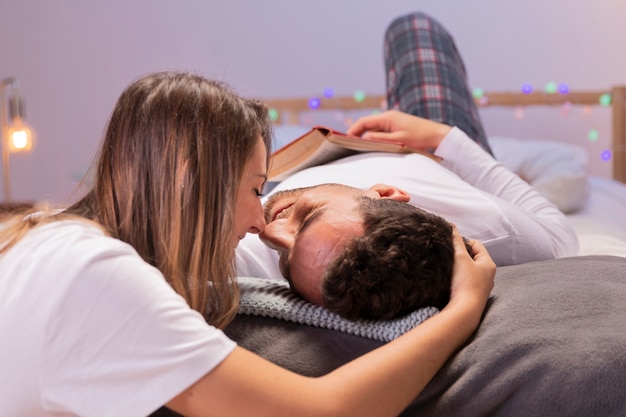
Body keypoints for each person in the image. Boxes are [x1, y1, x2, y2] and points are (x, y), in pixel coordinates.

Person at [0, 70, 495, 416]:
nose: (259, 220)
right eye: (256, 189)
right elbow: (323, 411)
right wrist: (462, 311)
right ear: (192, 182)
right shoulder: (96, 277)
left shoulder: (49, 239)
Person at [235, 12, 579, 320]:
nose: (267, 230)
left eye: (285, 259)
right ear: (386, 193)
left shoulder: (255, 256)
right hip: (426, 150)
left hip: (293, 166)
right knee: (414, 27)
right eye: (308, 218)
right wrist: (445, 137)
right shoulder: (495, 228)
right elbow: (560, 236)